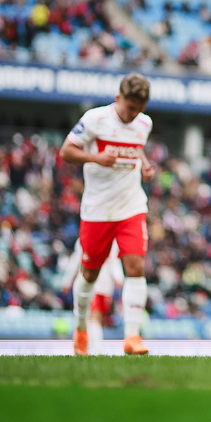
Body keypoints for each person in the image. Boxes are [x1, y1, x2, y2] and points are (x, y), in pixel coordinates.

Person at [59, 73, 155, 356]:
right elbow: (66, 151)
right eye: (129, 108)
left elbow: (137, 148)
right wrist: (95, 158)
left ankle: (132, 337)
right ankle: (81, 328)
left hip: (131, 206)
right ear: (118, 98)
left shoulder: (144, 124)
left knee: (135, 266)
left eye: (139, 109)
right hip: (98, 209)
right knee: (89, 274)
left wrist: (144, 165)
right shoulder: (95, 119)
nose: (133, 114)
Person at [61, 239, 124, 355]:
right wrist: (119, 278)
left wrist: (66, 281)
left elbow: (76, 260)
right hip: (101, 285)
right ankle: (92, 348)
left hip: (93, 284)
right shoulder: (110, 239)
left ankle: (89, 348)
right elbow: (114, 262)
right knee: (93, 318)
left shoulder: (85, 238)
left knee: (89, 317)